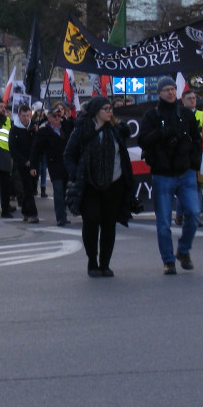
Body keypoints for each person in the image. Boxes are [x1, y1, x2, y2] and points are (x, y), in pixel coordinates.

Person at [64, 97, 136, 277]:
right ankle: (92, 261)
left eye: (110, 108)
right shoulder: (83, 129)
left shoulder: (117, 129)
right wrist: (76, 174)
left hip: (114, 183)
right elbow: (69, 154)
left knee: (109, 224)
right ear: (96, 111)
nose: (109, 111)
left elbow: (123, 155)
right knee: (91, 221)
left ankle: (105, 263)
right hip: (89, 183)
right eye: (105, 109)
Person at [138, 77, 202, 275]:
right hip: (163, 174)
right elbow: (143, 141)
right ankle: (168, 260)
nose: (170, 93)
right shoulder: (152, 115)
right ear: (159, 93)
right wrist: (161, 133)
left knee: (193, 213)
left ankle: (183, 250)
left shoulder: (185, 114)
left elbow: (197, 140)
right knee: (164, 222)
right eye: (166, 89)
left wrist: (193, 163)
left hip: (185, 172)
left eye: (173, 89)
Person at [31, 105, 71, 226]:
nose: (57, 118)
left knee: (66, 191)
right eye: (54, 116)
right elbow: (36, 149)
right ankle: (61, 217)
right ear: (48, 117)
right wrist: (33, 166)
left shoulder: (66, 127)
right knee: (58, 191)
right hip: (54, 164)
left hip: (67, 164)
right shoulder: (44, 131)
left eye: (59, 115)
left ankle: (65, 212)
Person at [175, 88, 203, 228]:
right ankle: (183, 214)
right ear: (183, 100)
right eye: (189, 98)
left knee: (197, 186)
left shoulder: (202, 115)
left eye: (194, 98)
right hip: (184, 157)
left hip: (199, 154)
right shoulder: (179, 114)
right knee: (185, 188)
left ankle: (193, 214)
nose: (193, 100)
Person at [9, 103, 39, 223]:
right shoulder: (15, 129)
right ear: (19, 116)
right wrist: (24, 161)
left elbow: (37, 145)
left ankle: (26, 211)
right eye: (23, 116)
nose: (26, 118)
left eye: (28, 115)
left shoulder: (34, 127)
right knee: (27, 188)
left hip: (33, 162)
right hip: (21, 164)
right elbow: (13, 148)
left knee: (31, 187)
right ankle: (32, 213)